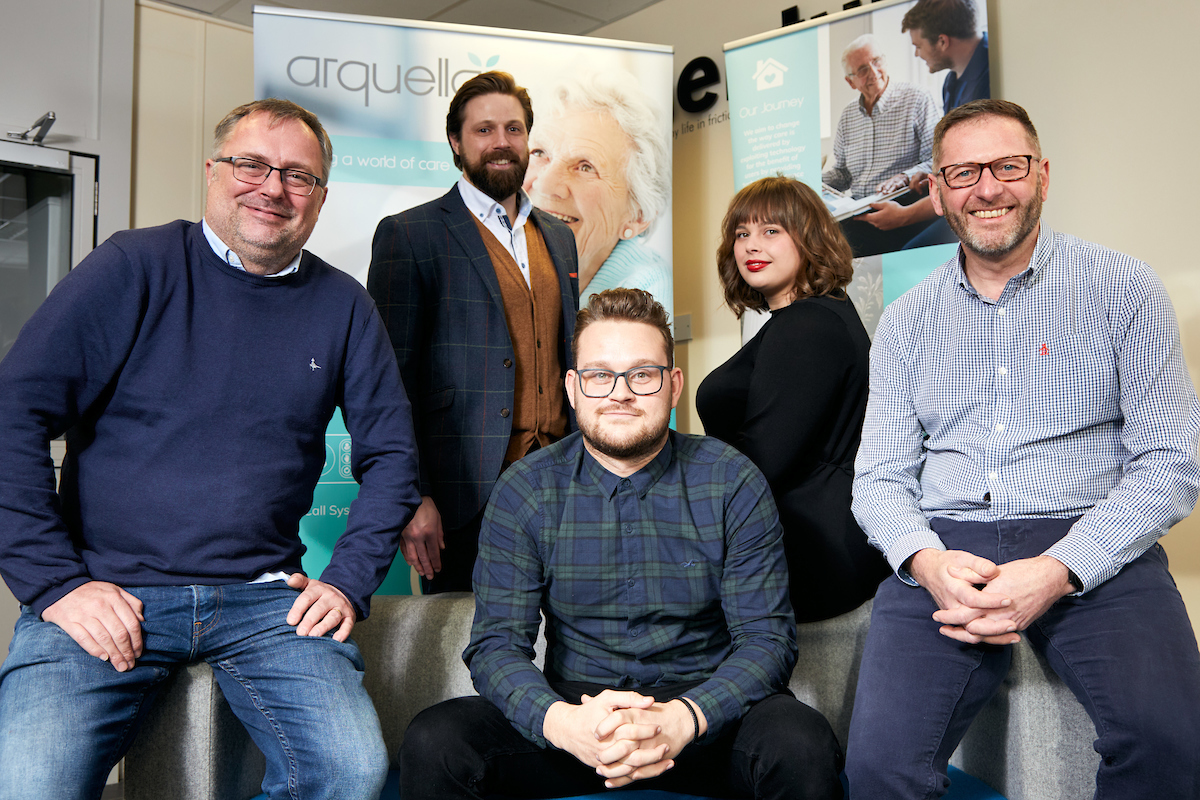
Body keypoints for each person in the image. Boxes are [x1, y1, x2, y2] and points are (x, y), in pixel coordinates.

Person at [0, 99, 422, 799]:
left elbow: (395, 458)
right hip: (111, 588)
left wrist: (347, 579)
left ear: (320, 197)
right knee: (28, 785)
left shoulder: (345, 305)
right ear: (212, 171)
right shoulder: (134, 267)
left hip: (264, 602)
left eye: (298, 175)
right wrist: (55, 585)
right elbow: (13, 410)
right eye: (251, 164)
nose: (273, 187)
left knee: (351, 773)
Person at [847, 99, 1200, 797]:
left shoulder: (1123, 287)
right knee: (879, 769)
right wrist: (927, 561)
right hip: (947, 546)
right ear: (940, 190)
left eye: (1007, 166)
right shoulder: (905, 321)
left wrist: (1060, 569)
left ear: (1041, 175)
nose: (987, 188)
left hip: (1088, 530)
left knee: (1170, 745)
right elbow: (879, 479)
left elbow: (1172, 459)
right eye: (963, 172)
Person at [398, 288, 844, 800]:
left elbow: (767, 641)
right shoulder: (525, 488)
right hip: (577, 720)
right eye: (599, 375)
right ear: (573, 387)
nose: (620, 393)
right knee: (436, 741)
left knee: (803, 743)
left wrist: (686, 717)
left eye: (642, 374)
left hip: (705, 722)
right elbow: (497, 646)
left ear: (673, 385)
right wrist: (562, 724)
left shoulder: (732, 480)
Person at [368, 71, 579, 593]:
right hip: (462, 499)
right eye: (484, 130)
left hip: (565, 487)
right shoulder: (410, 234)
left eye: (513, 129)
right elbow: (387, 385)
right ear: (456, 143)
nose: (501, 142)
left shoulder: (559, 237)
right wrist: (412, 496)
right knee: (468, 652)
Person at [696, 176, 888, 622]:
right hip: (810, 539)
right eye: (741, 234)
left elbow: (763, 461)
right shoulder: (819, 316)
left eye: (770, 231)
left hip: (807, 552)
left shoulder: (806, 325)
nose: (749, 246)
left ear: (809, 238)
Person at [523, 71, 672, 312]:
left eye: (585, 167)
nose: (545, 184)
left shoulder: (649, 298)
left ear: (638, 216)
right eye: (539, 153)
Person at [867, 0, 991, 250]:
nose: (916, 54)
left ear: (943, 41)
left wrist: (904, 216)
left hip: (975, 203)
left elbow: (971, 174)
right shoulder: (951, 82)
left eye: (918, 46)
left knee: (906, 251)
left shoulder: (990, 72)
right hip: (952, 192)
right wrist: (932, 175)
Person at [822, 34, 941, 257]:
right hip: (856, 212)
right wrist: (812, 182)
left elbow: (938, 160)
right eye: (862, 70)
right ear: (850, 82)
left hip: (901, 206)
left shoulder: (917, 99)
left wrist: (905, 176)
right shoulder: (848, 116)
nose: (874, 73)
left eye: (876, 61)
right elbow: (843, 173)